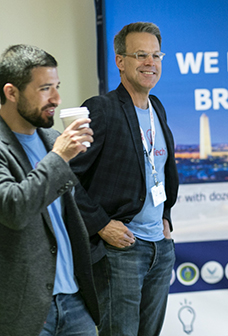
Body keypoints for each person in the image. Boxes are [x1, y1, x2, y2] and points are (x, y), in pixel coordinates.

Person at [70, 22, 179, 336]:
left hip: (159, 247)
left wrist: (166, 218)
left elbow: (159, 172)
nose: (150, 63)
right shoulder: (100, 109)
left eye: (156, 55)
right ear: (120, 61)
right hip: (121, 250)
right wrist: (101, 224)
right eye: (141, 55)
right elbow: (65, 176)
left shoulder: (157, 107)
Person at [0, 44, 98, 335]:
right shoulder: (54, 148)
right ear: (11, 92)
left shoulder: (51, 138)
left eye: (57, 86)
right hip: (25, 311)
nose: (56, 98)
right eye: (45, 88)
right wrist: (59, 157)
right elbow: (14, 209)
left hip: (75, 303)